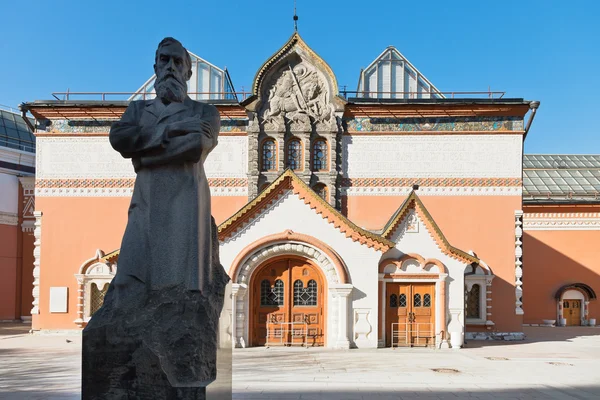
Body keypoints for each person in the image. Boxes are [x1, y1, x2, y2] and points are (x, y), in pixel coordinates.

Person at [106, 37, 220, 305]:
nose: (170, 67)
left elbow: (197, 146)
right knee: (129, 277)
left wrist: (142, 158)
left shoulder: (205, 112)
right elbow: (120, 140)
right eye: (164, 60)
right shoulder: (137, 109)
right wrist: (171, 130)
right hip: (145, 204)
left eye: (177, 61)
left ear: (188, 72)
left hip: (185, 205)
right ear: (155, 67)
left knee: (180, 284)